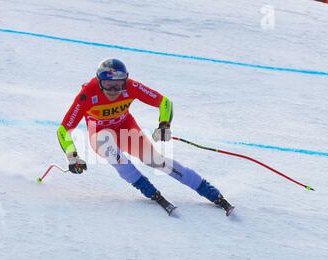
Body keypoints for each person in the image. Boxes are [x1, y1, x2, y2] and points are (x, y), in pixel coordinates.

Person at [57, 58, 234, 216]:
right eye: (108, 84)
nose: (113, 90)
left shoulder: (131, 86)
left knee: (156, 160)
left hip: (125, 127)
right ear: (98, 81)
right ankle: (147, 188)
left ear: (125, 81)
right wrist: (73, 157)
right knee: (114, 153)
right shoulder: (88, 94)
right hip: (100, 133)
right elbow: (64, 130)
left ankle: (209, 191)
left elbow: (164, 102)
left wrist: (164, 124)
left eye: (118, 85)